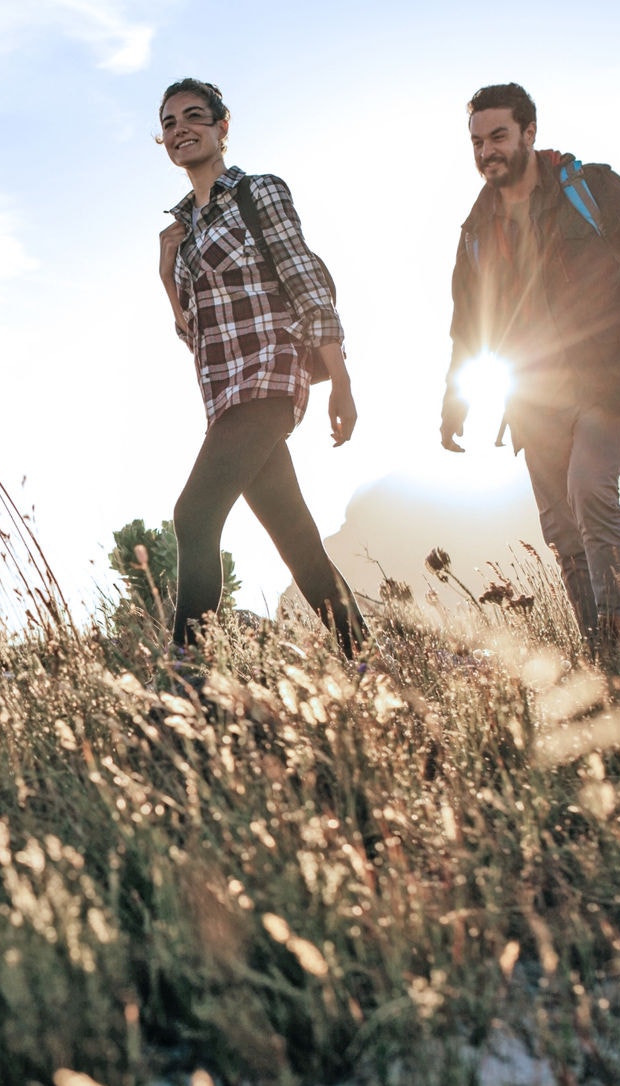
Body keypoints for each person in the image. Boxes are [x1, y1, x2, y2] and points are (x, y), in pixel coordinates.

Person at [440, 83, 620, 652]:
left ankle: (619, 627)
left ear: (529, 133)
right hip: (533, 393)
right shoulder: (477, 229)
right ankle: (601, 651)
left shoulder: (594, 189)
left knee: (590, 489)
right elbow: (468, 325)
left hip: (610, 374)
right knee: (561, 526)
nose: (487, 151)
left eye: (499, 137)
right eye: (477, 142)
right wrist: (454, 405)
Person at [156, 79, 366, 659]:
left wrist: (340, 380)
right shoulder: (183, 232)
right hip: (223, 397)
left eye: (193, 116)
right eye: (169, 123)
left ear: (222, 126)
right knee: (298, 543)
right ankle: (370, 664)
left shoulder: (258, 192)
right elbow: (193, 335)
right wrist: (167, 275)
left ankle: (188, 676)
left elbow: (305, 280)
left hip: (270, 378)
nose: (180, 129)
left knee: (193, 516)